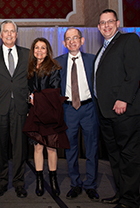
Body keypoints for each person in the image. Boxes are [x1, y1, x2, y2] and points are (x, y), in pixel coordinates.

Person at [94, 9, 140, 208]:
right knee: (115, 156)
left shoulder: (129, 40)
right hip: (105, 112)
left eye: (110, 21)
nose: (106, 25)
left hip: (124, 111)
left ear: (118, 22)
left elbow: (135, 71)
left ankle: (131, 201)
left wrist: (123, 98)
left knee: (129, 156)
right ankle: (122, 194)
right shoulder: (103, 48)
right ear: (98, 27)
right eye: (102, 23)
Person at [56, 28, 100, 201]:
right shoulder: (57, 62)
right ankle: (75, 183)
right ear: (64, 43)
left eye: (76, 38)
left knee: (91, 148)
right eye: (68, 39)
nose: (72, 41)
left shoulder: (93, 60)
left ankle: (90, 184)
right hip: (68, 110)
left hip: (89, 108)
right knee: (70, 148)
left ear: (82, 41)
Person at [23, 37, 69, 197]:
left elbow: (55, 92)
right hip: (35, 113)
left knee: (51, 147)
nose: (39, 51)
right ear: (33, 51)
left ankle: (54, 180)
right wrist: (30, 99)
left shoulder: (54, 67)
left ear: (47, 50)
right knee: (37, 147)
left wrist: (36, 98)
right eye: (36, 48)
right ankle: (39, 181)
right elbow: (27, 92)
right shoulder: (29, 68)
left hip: (50, 113)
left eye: (43, 48)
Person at [0, 20, 29, 198]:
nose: (9, 34)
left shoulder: (28, 55)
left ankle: (19, 183)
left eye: (12, 31)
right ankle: (1, 182)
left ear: (17, 34)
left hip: (20, 108)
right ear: (0, 34)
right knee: (0, 149)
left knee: (20, 148)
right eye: (6, 31)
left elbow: (33, 81)